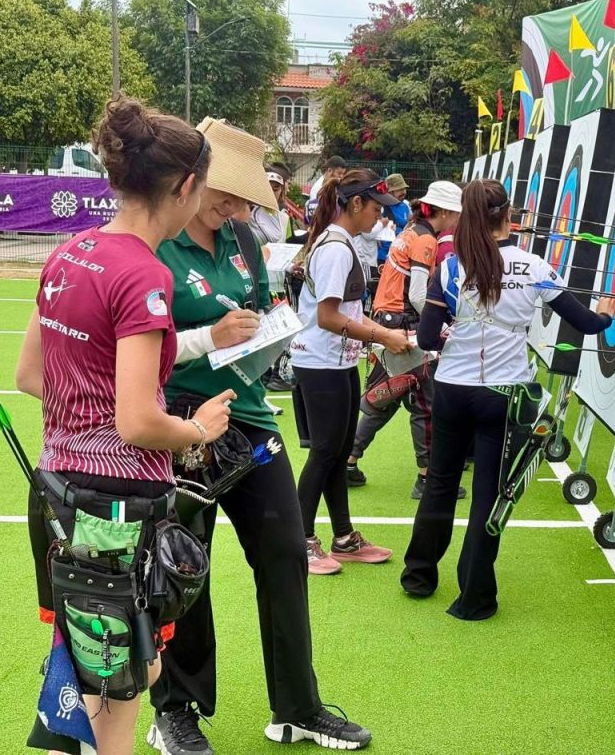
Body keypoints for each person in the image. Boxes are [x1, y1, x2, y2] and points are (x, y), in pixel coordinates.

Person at [16, 96, 233, 755]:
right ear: (186, 186)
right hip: (117, 510)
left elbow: (31, 376)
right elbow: (137, 422)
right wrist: (198, 429)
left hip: (59, 494)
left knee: (105, 668)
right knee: (116, 687)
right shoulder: (144, 274)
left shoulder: (70, 253)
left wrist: (93, 411)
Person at [149, 118, 372, 753]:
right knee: (183, 566)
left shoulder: (244, 238)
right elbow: (137, 345)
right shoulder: (157, 241)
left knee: (284, 553)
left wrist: (269, 330)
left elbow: (256, 307)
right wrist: (208, 337)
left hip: (247, 414)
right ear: (193, 182)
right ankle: (175, 712)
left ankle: (297, 708)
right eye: (228, 194)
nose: (238, 208)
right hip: (180, 422)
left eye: (246, 198)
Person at [400, 179, 615, 621]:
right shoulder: (534, 266)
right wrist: (607, 313)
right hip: (502, 396)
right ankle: (474, 597)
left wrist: (458, 331)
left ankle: (418, 576)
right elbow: (587, 324)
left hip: (453, 390)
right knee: (488, 493)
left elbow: (426, 337)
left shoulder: (451, 266)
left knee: (440, 482)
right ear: (508, 214)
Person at [290, 168, 413, 575]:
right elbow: (327, 317)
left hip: (338, 360)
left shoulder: (341, 242)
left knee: (339, 453)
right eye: (377, 208)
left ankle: (343, 537)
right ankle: (301, 541)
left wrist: (381, 336)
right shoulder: (336, 248)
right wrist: (383, 335)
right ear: (356, 203)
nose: (381, 216)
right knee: (326, 451)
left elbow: (345, 314)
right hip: (320, 361)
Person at [346, 181, 464, 500]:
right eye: (457, 213)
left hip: (388, 321)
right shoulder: (425, 239)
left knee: (385, 398)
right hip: (404, 326)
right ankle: (427, 479)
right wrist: (443, 326)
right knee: (426, 404)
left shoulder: (412, 231)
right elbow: (419, 295)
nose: (458, 219)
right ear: (445, 212)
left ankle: (347, 461)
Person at [305, 155, 347, 222]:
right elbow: (315, 217)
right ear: (330, 171)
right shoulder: (318, 188)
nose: (341, 177)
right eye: (339, 173)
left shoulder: (335, 185)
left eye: (343, 174)